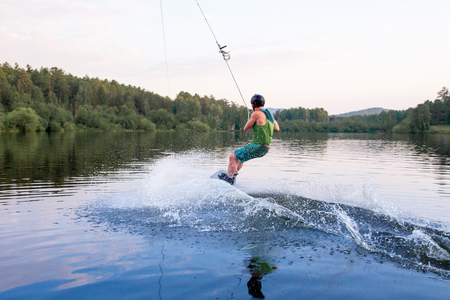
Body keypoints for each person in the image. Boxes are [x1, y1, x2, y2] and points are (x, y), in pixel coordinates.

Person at [219, 94, 280, 185]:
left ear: (252, 105)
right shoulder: (270, 115)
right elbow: (277, 129)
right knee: (240, 158)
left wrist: (251, 120)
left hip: (257, 146)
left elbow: (246, 128)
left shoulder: (256, 114)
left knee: (232, 157)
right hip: (265, 148)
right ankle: (233, 175)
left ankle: (229, 178)